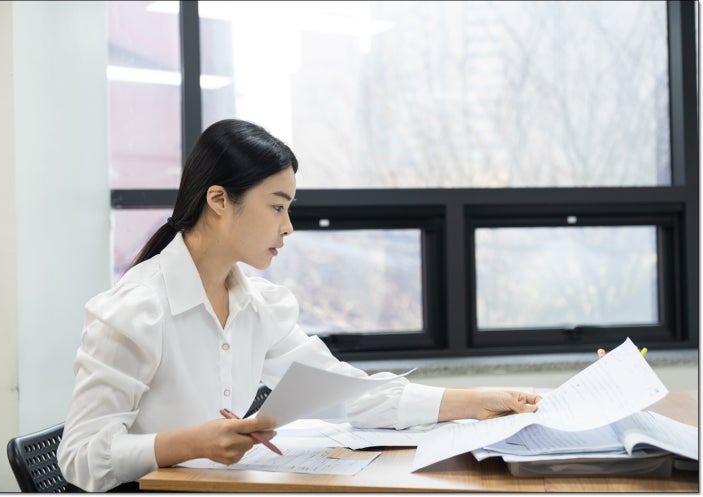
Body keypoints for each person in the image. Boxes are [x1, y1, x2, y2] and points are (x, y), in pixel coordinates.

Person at [57, 118, 542, 492]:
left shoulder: (260, 306)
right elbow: (79, 457)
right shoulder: (134, 310)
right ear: (219, 200)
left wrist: (478, 403)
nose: (288, 227)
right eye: (277, 206)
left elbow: (353, 394)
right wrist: (190, 443)